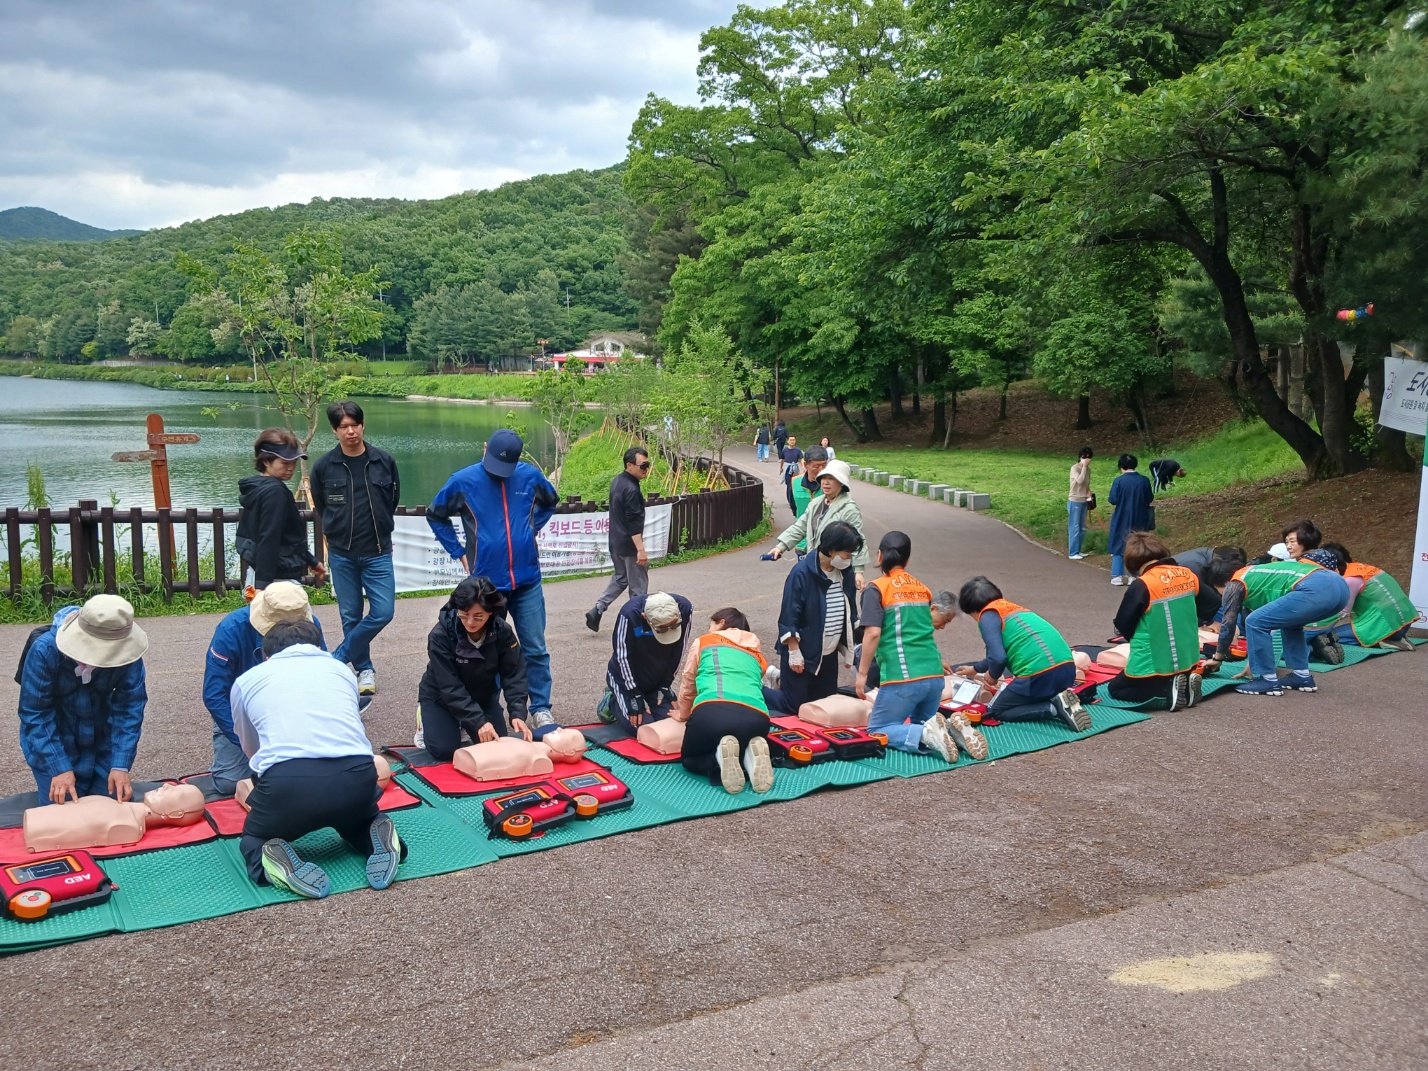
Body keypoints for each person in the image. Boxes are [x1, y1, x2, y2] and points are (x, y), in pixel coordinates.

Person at [231, 618, 403, 899]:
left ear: (266, 655)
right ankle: (377, 836)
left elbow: (250, 748)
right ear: (317, 646)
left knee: (253, 839)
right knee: (359, 819)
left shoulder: (247, 681)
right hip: (358, 774)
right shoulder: (340, 670)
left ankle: (273, 862)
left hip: (289, 785)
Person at [427, 429, 559, 727]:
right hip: (487, 587)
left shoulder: (529, 476)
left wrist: (529, 529)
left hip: (527, 579)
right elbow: (436, 514)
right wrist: (459, 552)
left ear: (517, 459)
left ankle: (540, 708)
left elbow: (551, 501)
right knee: (489, 651)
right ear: (485, 448)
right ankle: (492, 709)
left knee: (535, 647)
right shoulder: (463, 480)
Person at [857, 532, 980, 761]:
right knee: (926, 722)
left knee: (878, 730)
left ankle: (924, 732)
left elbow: (873, 633)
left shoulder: (876, 588)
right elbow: (922, 631)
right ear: (907, 560)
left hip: (903, 676)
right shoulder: (922, 589)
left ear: (880, 556)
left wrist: (862, 674)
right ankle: (950, 732)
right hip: (934, 675)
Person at [17, 595, 148, 805]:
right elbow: (35, 714)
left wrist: (120, 765)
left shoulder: (129, 654)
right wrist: (58, 767)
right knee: (63, 820)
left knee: (117, 810)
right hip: (55, 742)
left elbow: (130, 708)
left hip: (102, 742)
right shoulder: (45, 651)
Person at [203, 582, 327, 797]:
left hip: (294, 710)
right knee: (229, 783)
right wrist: (243, 739)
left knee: (313, 776)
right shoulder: (231, 628)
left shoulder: (311, 624)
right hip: (242, 715)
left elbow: (321, 675)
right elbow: (214, 695)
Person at [311, 401, 400, 696]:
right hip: (342, 553)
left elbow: (392, 499)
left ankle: (337, 659)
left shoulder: (383, 460)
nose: (350, 431)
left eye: (355, 425)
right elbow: (322, 506)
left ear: (363, 425)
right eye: (343, 427)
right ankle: (364, 669)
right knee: (350, 614)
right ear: (335, 430)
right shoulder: (324, 467)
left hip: (377, 551)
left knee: (384, 611)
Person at [1205, 547, 1351, 696]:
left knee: (1254, 621)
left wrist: (1218, 658)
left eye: (1218, 591)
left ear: (1224, 582)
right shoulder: (1256, 574)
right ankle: (1302, 676)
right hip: (1340, 587)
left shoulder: (1235, 583)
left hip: (1317, 588)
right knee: (1290, 624)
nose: (1220, 595)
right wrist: (1255, 660)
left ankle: (1268, 681)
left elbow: (1228, 625)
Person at [416, 575, 532, 762]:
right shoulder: (439, 635)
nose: (470, 622)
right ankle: (426, 718)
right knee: (445, 751)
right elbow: (449, 686)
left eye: (478, 616)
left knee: (497, 743)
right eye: (464, 614)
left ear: (491, 612)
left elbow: (514, 673)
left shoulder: (503, 631)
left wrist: (517, 712)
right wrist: (479, 721)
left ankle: (466, 720)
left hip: (480, 696)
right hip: (441, 697)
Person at [953, 577, 1089, 730]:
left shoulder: (987, 616)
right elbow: (998, 654)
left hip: (1038, 676)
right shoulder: (1013, 609)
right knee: (1027, 694)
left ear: (972, 610)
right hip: (1067, 671)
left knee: (997, 710)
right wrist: (975, 669)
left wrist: (993, 675)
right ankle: (1060, 699)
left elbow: (998, 658)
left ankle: (1052, 707)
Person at [671, 607, 775, 795]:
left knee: (689, 759)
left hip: (713, 713)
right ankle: (748, 756)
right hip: (758, 718)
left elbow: (688, 681)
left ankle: (718, 757)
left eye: (711, 624)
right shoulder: (755, 652)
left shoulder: (704, 641)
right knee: (740, 741)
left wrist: (683, 713)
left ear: (721, 623)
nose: (709, 628)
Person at [763, 522, 861, 714]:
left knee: (823, 707)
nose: (849, 559)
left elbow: (851, 611)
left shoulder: (845, 573)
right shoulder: (801, 573)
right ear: (832, 551)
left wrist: (854, 647)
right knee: (793, 707)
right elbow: (789, 615)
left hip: (828, 653)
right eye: (847, 554)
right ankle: (757, 688)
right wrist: (794, 651)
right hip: (804, 651)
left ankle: (781, 679)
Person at [1106, 533, 1203, 709]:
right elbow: (1210, 604)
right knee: (1168, 676)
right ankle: (1185, 687)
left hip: (1154, 660)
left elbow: (1122, 623)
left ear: (1133, 563)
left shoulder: (1143, 584)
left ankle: (1168, 692)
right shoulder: (1188, 574)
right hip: (1188, 657)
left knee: (1116, 689)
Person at [235, 428, 325, 591]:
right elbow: (268, 538)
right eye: (285, 462)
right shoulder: (275, 492)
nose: (291, 467)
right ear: (266, 461)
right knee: (299, 617)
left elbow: (287, 537)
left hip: (259, 572)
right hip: (277, 580)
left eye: (294, 462)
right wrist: (263, 586)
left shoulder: (258, 487)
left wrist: (310, 560)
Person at [597, 592, 693, 734]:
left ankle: (650, 698)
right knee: (643, 729)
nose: (669, 632)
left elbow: (680, 649)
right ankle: (611, 700)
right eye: (662, 629)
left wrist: (665, 685)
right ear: (645, 617)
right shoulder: (629, 614)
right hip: (625, 680)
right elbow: (622, 656)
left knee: (672, 725)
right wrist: (633, 693)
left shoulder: (685, 608)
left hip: (656, 679)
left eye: (673, 627)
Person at [767, 460, 870, 590]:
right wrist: (781, 547)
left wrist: (859, 570)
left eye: (831, 478)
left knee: (831, 604)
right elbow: (801, 526)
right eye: (823, 478)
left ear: (841, 482)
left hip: (836, 567)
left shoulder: (849, 508)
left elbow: (858, 540)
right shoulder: (816, 503)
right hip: (815, 564)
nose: (825, 482)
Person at [1309, 542, 1418, 656]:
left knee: (1327, 637)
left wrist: (1315, 626)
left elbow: (1342, 612)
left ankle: (1385, 641)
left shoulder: (1349, 579)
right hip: (1404, 622)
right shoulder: (1362, 568)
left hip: (1388, 625)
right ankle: (1394, 637)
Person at [586, 446, 651, 632]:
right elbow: (633, 522)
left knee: (621, 578)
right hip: (630, 546)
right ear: (629, 465)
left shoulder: (618, 481)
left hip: (615, 542)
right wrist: (640, 548)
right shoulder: (631, 489)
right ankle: (638, 627)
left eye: (648, 465)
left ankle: (598, 609)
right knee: (638, 587)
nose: (646, 469)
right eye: (643, 465)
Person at [853, 588, 959, 693]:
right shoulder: (912, 620)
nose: (943, 627)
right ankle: (858, 652)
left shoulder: (920, 620)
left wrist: (937, 660)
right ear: (933, 608)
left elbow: (922, 646)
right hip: (877, 670)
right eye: (945, 621)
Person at [1107, 454, 1154, 585]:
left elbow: (1113, 500)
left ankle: (1117, 575)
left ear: (1121, 467)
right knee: (1138, 545)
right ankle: (1134, 574)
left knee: (1118, 543)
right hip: (1140, 516)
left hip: (1121, 516)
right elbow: (1149, 498)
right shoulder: (1144, 480)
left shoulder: (1118, 481)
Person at [1173, 545, 1247, 624]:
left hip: (1206, 596)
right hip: (1183, 604)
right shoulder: (1193, 569)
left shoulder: (1216, 559)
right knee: (1236, 623)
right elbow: (1185, 604)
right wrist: (1207, 623)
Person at [1067, 446, 1093, 560]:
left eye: (1089, 457)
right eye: (1084, 457)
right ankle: (1073, 552)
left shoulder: (1088, 470)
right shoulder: (1075, 468)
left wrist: (1088, 492)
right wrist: (1084, 467)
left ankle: (1078, 550)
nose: (1087, 459)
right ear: (1080, 457)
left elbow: (1086, 484)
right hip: (1074, 500)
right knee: (1075, 527)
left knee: (1082, 527)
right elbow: (1079, 480)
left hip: (1084, 500)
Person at [780, 434, 805, 515]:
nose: (792, 441)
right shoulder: (785, 450)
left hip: (795, 469)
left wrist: (804, 466)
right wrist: (781, 468)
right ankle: (790, 500)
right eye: (791, 440)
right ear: (788, 441)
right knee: (789, 485)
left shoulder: (798, 450)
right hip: (787, 469)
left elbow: (801, 459)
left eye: (793, 440)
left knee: (794, 484)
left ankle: (793, 500)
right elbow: (782, 459)